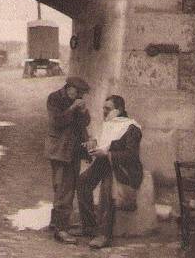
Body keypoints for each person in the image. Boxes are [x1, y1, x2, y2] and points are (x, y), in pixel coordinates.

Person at [73, 95, 143, 249]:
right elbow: (106, 143)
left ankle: (104, 234)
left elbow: (131, 156)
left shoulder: (132, 128)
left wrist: (107, 154)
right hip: (107, 162)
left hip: (125, 169)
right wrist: (93, 144)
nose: (104, 112)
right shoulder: (110, 123)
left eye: (108, 109)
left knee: (107, 188)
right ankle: (90, 226)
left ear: (119, 110)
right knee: (83, 181)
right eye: (103, 108)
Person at [45, 76, 91, 244]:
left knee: (64, 187)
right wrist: (72, 108)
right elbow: (57, 122)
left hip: (74, 150)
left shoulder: (77, 101)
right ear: (69, 87)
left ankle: (55, 223)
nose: (80, 96)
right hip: (60, 150)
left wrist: (84, 111)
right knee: (64, 188)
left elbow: (85, 123)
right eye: (78, 92)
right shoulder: (54, 98)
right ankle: (61, 230)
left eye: (82, 94)